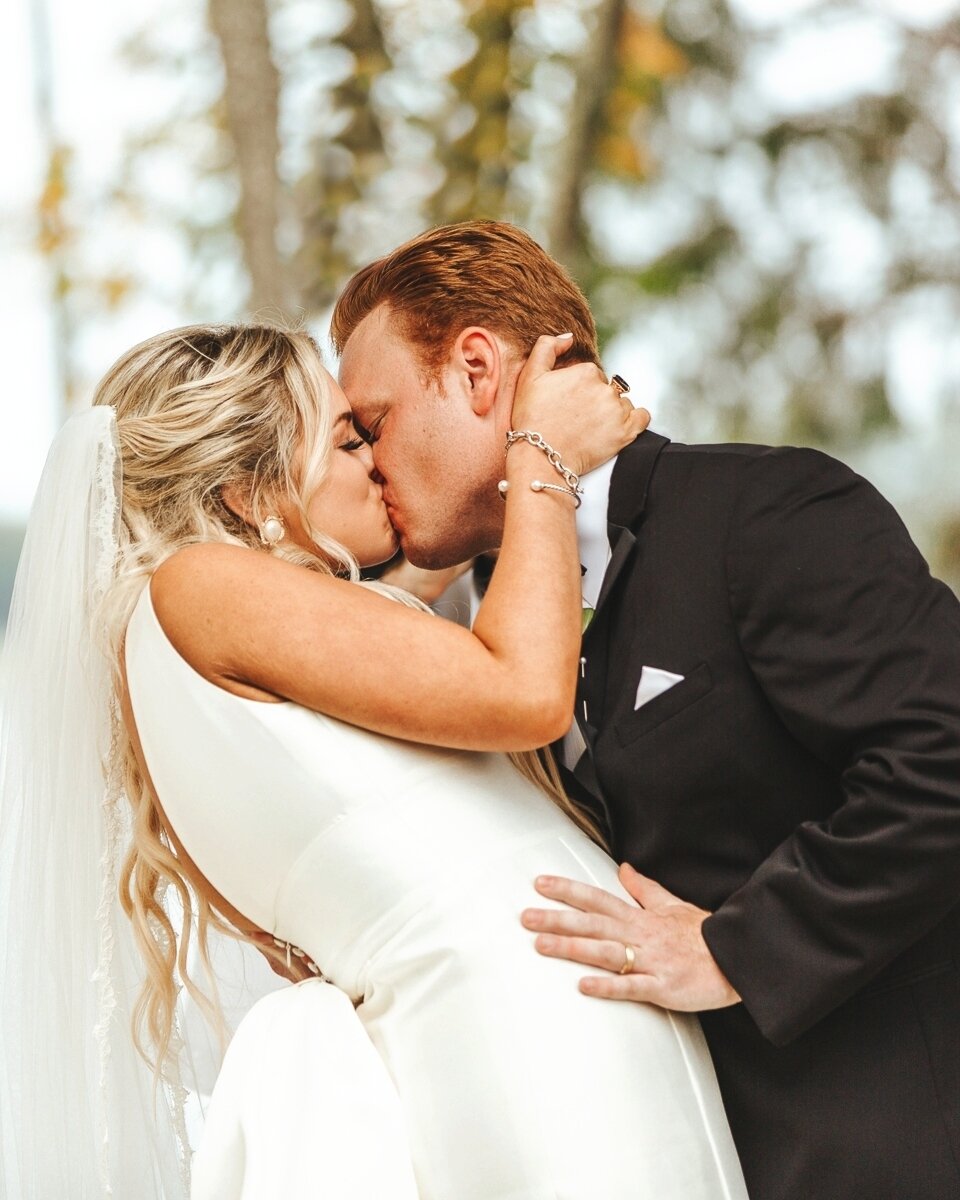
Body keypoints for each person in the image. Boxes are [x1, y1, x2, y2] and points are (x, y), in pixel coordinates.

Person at [0, 322, 749, 1200]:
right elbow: (519, 690)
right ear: (248, 494)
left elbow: (414, 610)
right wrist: (537, 455)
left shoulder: (218, 632)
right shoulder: (197, 587)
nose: (374, 462)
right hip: (524, 1040)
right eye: (348, 439)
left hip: (552, 1020)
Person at [331, 220, 960, 1200]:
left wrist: (733, 948)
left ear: (476, 370)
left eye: (373, 423)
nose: (368, 461)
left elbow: (943, 763)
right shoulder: (479, 621)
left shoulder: (764, 511)